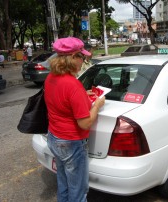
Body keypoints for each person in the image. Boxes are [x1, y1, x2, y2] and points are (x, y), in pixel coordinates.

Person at [44, 37, 105, 202]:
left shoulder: (51, 77)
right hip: (71, 143)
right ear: (72, 58)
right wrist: (97, 105)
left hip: (54, 138)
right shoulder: (73, 84)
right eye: (81, 57)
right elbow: (84, 123)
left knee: (63, 184)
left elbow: (61, 99)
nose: (83, 61)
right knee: (78, 192)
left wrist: (83, 95)